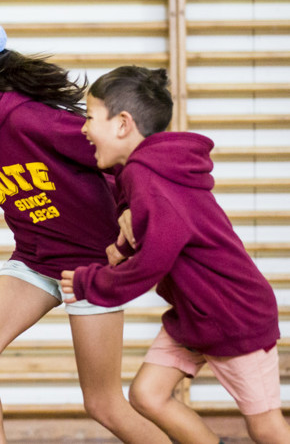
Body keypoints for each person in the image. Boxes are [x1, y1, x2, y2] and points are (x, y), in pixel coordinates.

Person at [0, 24, 170, 443]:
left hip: (90, 265)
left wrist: (128, 212)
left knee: (103, 404)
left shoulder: (32, 120)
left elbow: (124, 153)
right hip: (35, 259)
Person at [61, 65, 290, 444]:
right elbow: (155, 224)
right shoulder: (149, 170)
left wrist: (93, 282)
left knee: (266, 426)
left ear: (122, 124)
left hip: (232, 314)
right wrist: (120, 247)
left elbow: (156, 257)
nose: (83, 129)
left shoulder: (147, 175)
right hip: (196, 314)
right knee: (147, 395)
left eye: (89, 118)